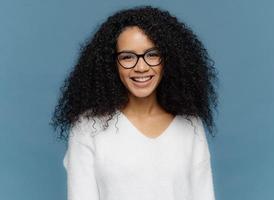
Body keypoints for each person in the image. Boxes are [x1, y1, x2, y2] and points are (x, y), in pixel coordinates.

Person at [50, 5, 218, 200]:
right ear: (111, 64)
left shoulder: (191, 125)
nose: (141, 67)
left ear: (168, 59)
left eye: (152, 54)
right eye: (127, 57)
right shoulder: (87, 127)